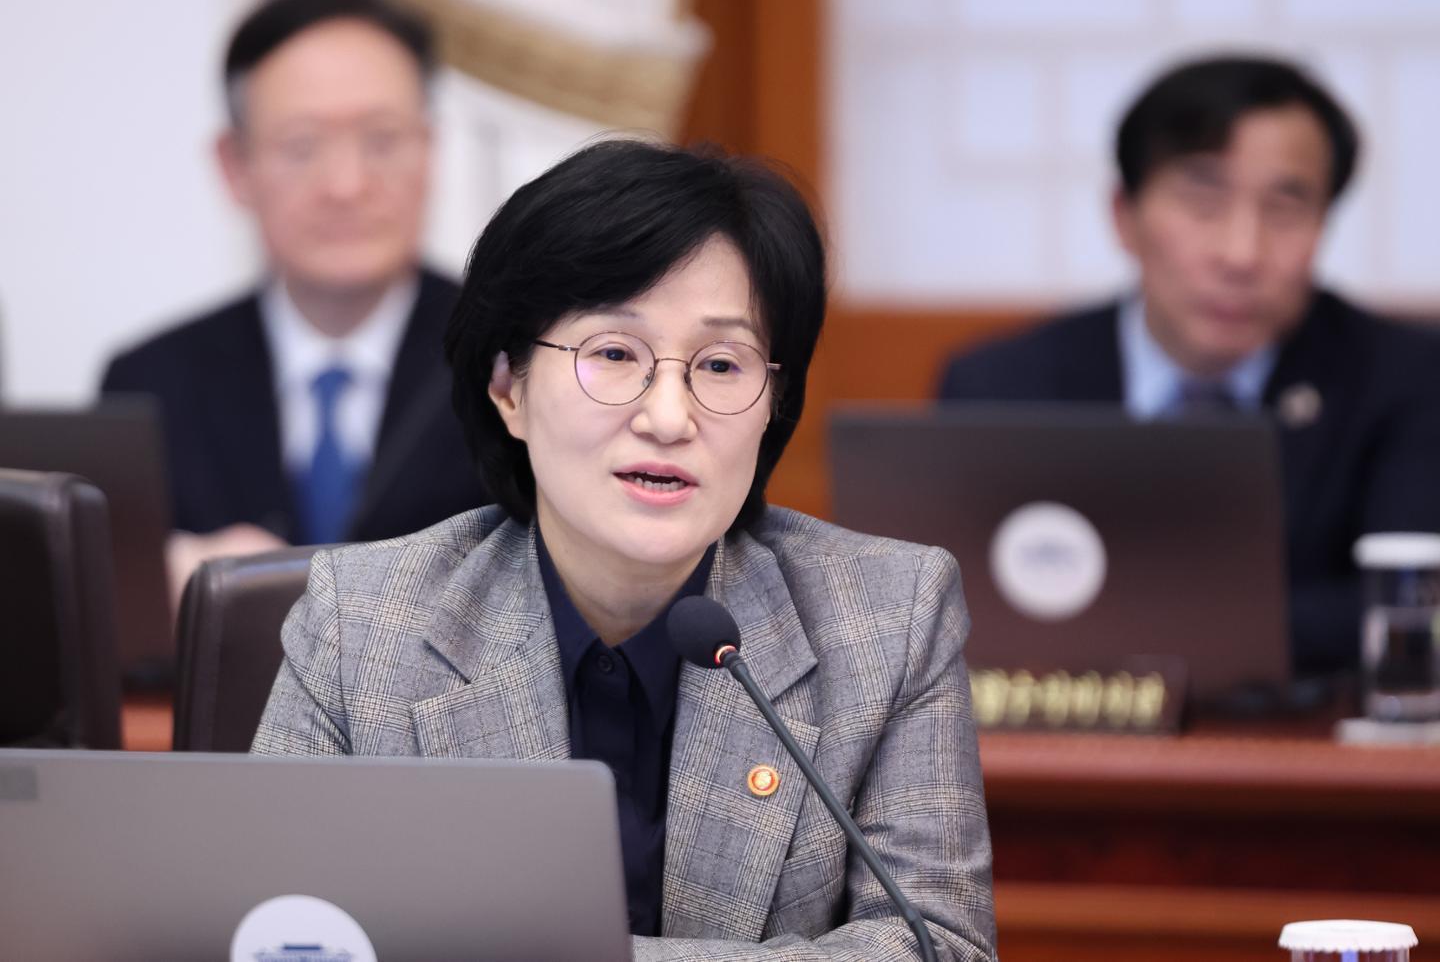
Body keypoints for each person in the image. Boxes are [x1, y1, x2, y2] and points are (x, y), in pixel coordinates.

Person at [253, 139, 997, 960]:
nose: (670, 417)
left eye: (721, 364)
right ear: (508, 387)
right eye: (614, 354)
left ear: (772, 405)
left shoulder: (889, 619)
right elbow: (278, 934)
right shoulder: (362, 626)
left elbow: (942, 945)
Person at [939, 54, 1440, 679]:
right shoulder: (1003, 387)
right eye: (1203, 201)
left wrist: (1135, 629)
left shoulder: (1405, 379)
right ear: (1124, 216)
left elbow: (1404, 600)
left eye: (1285, 208)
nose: (1241, 254)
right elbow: (963, 609)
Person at [101, 0, 486, 583]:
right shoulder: (150, 385)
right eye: (301, 147)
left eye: (382, 139)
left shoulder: (505, 361)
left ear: (430, 150)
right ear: (234, 166)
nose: (345, 185)